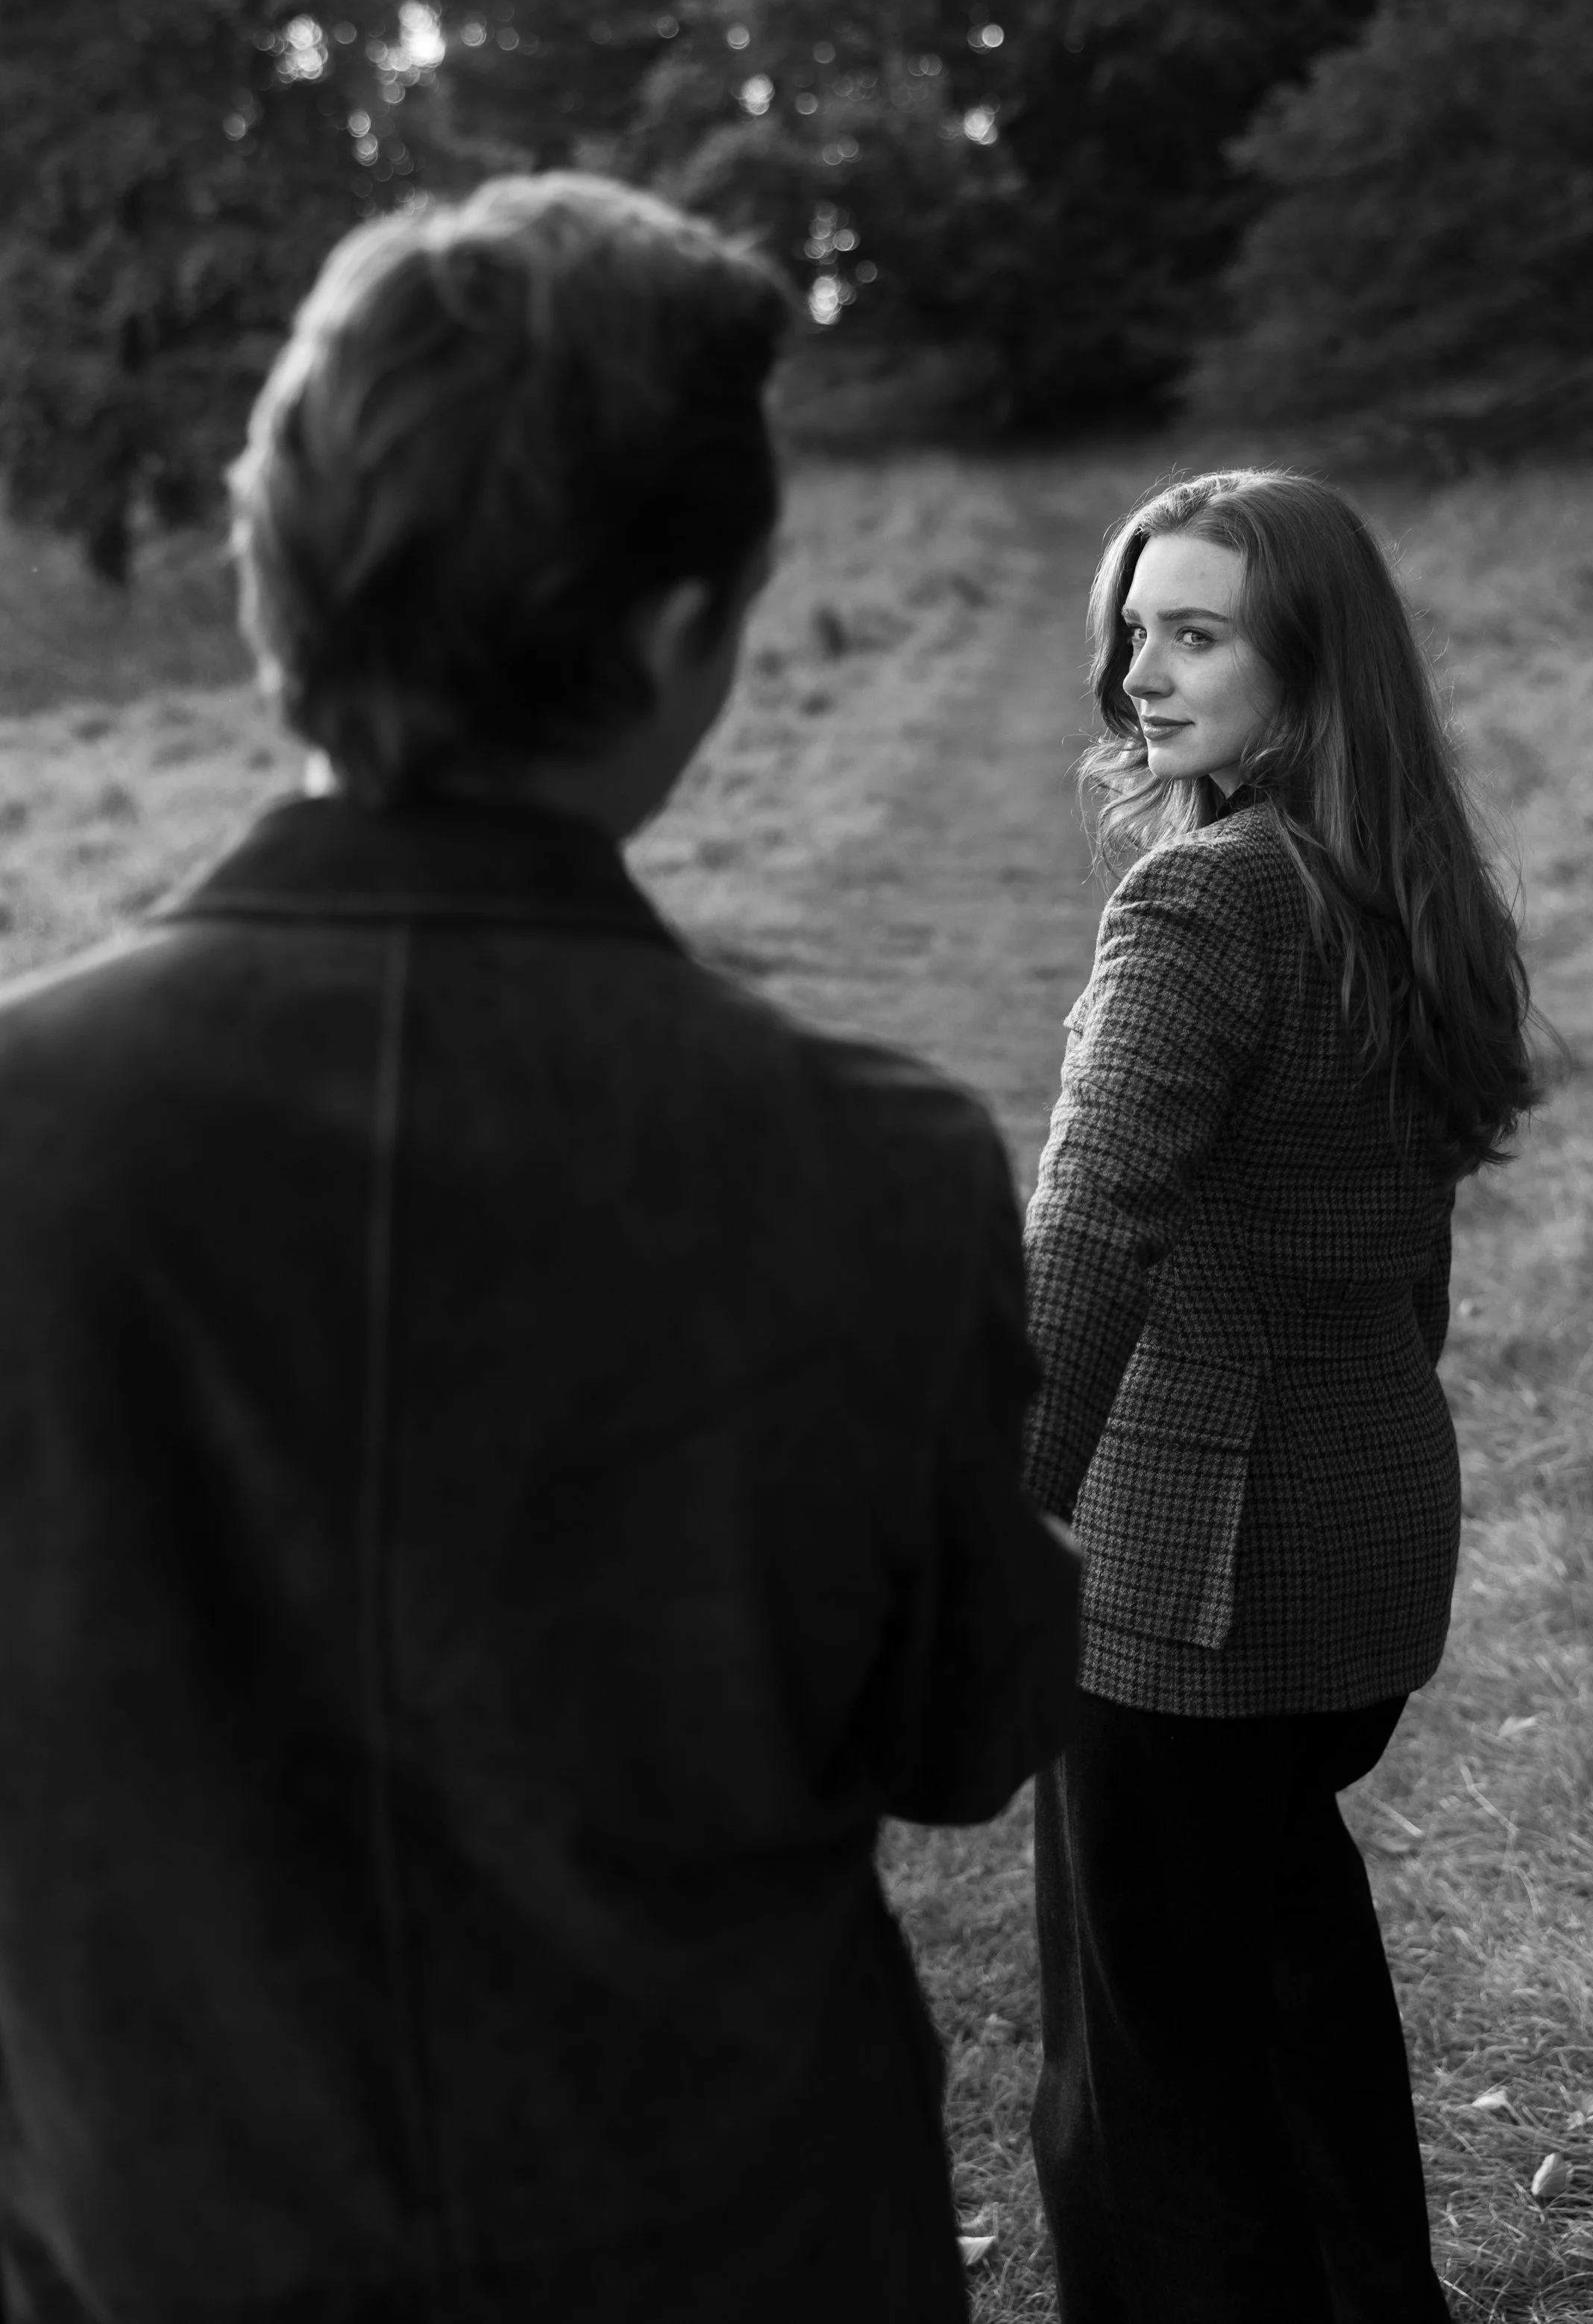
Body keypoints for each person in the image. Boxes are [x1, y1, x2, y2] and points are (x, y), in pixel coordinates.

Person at [0, 175, 1080, 2324]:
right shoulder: (879, 1169)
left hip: (143, 2258)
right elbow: (969, 1733)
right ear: (688, 634)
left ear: (261, 589)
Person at [1021, 468, 1539, 2323]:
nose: (1137, 677)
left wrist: (985, 1532)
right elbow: (1414, 1264)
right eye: (1132, 631)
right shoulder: (1411, 887)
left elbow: (1087, 1236)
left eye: (1194, 634)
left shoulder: (1205, 900)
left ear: (1309, 665)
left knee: (1145, 2099)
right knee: (1293, 1978)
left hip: (1183, 1586)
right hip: (1363, 1554)